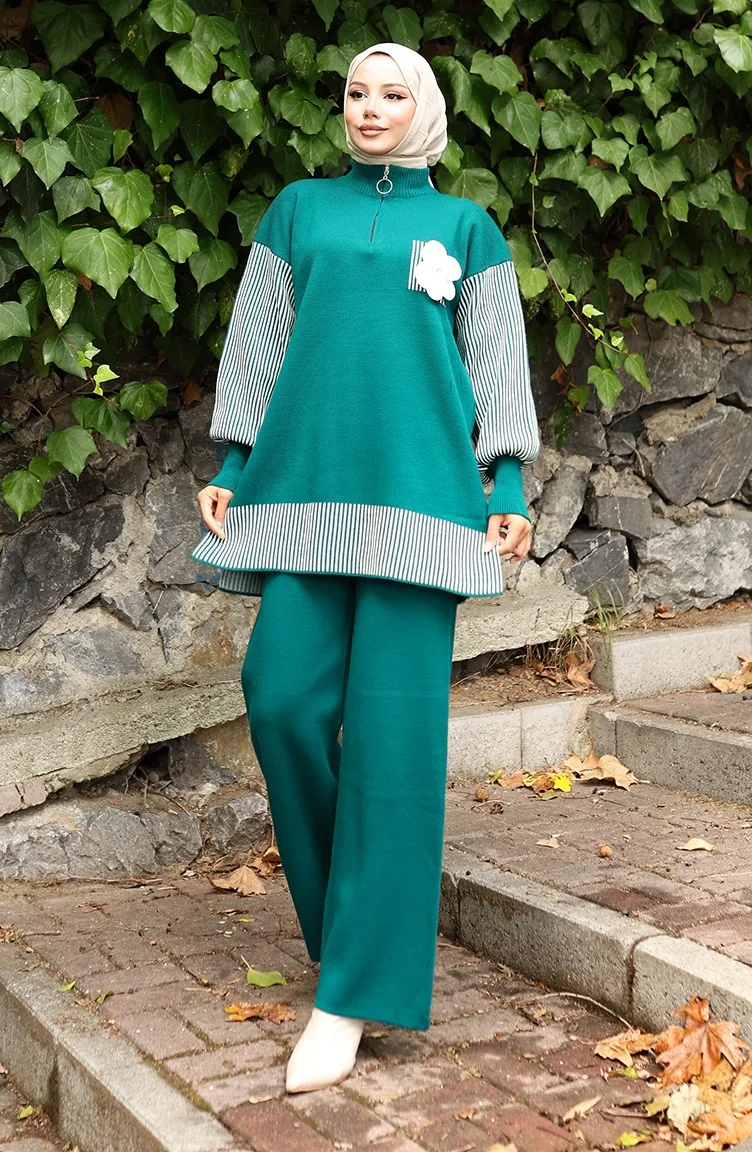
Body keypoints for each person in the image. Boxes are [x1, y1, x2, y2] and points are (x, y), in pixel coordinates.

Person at [192, 42, 540, 1094]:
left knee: (392, 746)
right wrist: (232, 462)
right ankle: (357, 928)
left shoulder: (466, 228)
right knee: (279, 699)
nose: (368, 108)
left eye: (391, 94)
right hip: (305, 493)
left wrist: (507, 486)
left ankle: (349, 993)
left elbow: (497, 361)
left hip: (425, 504)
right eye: (355, 92)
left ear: (422, 110)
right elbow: (258, 342)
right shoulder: (299, 210)